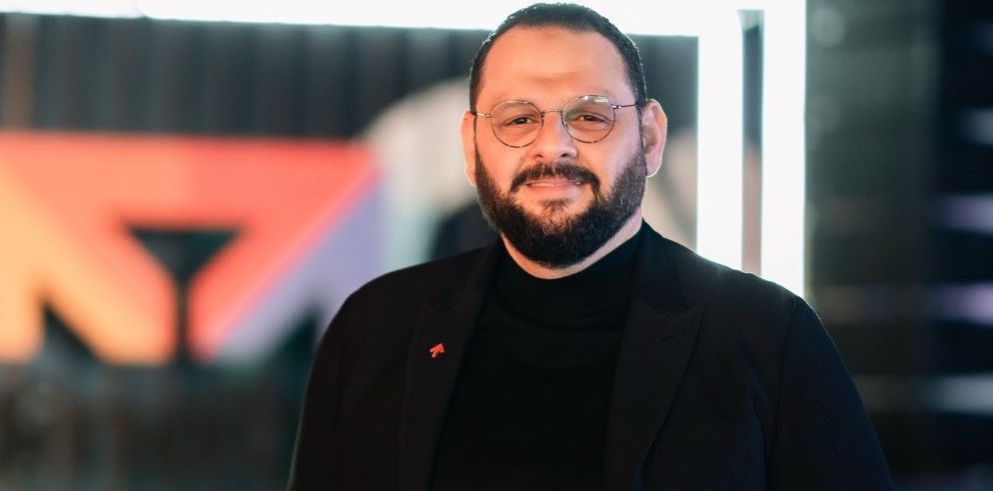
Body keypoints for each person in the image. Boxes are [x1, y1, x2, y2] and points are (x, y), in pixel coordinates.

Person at [288, 3, 894, 490]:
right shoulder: (376, 328)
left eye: (589, 115)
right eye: (518, 118)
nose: (553, 146)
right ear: (471, 147)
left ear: (649, 138)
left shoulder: (768, 334)